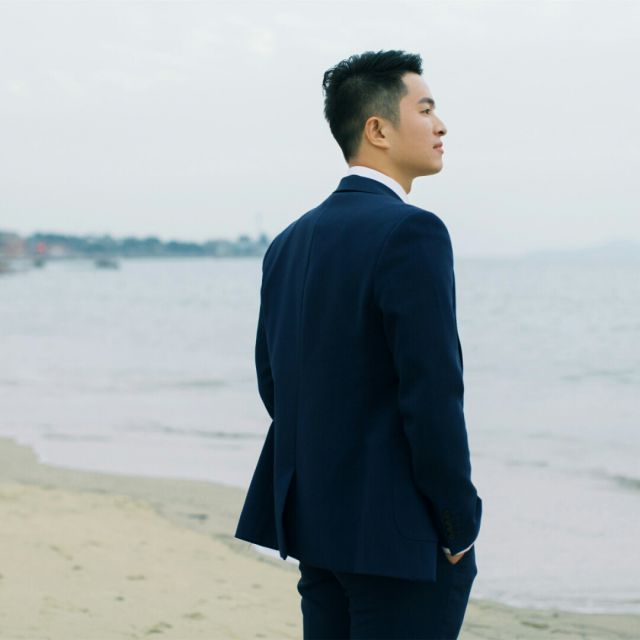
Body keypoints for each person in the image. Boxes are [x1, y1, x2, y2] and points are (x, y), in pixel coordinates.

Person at [234, 49, 483, 639]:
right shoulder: (413, 230)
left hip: (318, 526)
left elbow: (275, 385)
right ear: (377, 129)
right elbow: (432, 394)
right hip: (400, 538)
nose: (441, 125)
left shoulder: (288, 241)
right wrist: (457, 520)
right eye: (425, 109)